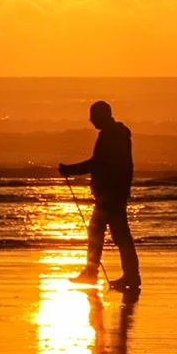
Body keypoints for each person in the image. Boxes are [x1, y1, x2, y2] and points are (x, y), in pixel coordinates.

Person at [59, 100, 141, 292]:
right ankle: (127, 275)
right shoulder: (116, 135)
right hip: (114, 193)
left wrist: (70, 170)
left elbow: (96, 164)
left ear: (102, 116)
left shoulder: (110, 136)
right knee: (109, 234)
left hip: (110, 195)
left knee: (108, 235)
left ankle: (102, 274)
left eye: (93, 117)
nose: (91, 121)